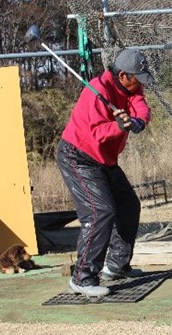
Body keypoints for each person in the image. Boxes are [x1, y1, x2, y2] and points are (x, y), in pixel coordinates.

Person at [56, 49, 153, 297]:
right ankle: (82, 278)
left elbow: (139, 105)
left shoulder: (130, 88)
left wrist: (138, 121)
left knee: (128, 206)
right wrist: (118, 126)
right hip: (79, 156)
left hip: (105, 160)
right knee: (100, 211)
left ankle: (116, 267)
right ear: (122, 75)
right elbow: (96, 134)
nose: (139, 85)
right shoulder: (95, 93)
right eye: (137, 79)